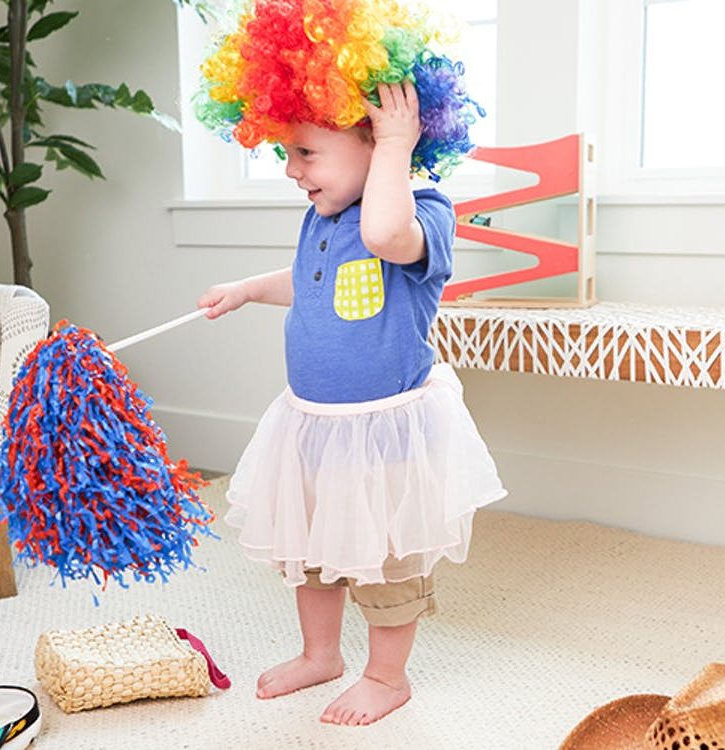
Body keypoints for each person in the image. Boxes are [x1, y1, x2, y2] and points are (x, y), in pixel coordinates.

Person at [197, 39, 505, 725]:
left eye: (305, 153)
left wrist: (395, 147)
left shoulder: (424, 212)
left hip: (385, 429)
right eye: (287, 151)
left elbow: (386, 234)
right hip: (313, 424)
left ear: (374, 140)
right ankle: (320, 654)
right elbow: (315, 289)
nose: (289, 170)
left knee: (389, 560)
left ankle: (386, 676)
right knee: (312, 551)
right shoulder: (322, 218)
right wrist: (249, 288)